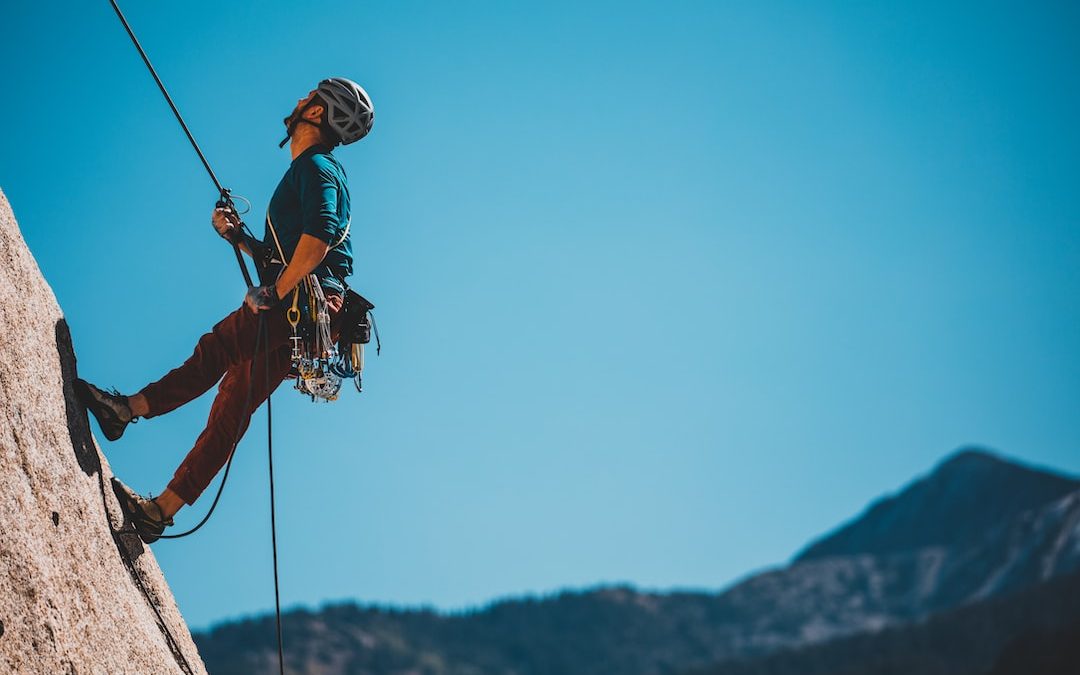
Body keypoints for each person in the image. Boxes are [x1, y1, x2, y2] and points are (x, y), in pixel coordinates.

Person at [76, 77, 374, 543]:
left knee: (216, 350)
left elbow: (317, 242)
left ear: (315, 113)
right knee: (232, 407)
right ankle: (160, 511)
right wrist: (238, 238)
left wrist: (274, 292)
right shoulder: (313, 169)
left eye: (307, 97)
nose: (298, 100)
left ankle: (124, 410)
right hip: (315, 315)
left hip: (301, 302)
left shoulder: (316, 167)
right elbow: (298, 250)